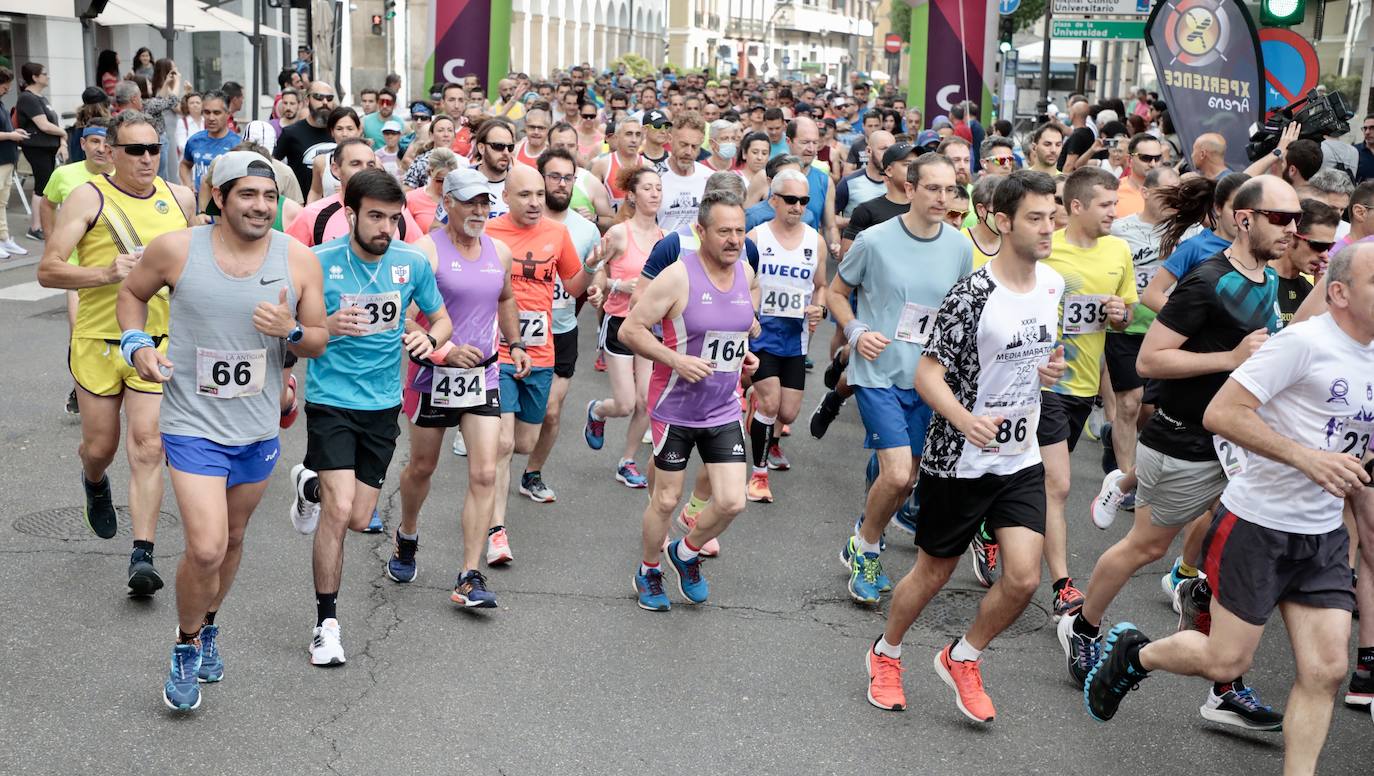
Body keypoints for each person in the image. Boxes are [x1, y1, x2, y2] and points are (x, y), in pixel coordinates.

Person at [1085, 237, 1372, 774]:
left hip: (1323, 532)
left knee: (1327, 669)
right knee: (1227, 659)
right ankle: (1136, 652)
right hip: (1256, 525)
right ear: (1339, 292)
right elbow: (1223, 413)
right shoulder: (1302, 344)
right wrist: (1306, 458)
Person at [1066, 175, 1293, 734]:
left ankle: (1225, 680)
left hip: (1235, 446)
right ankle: (1084, 630)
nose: (1292, 229)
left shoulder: (1265, 279)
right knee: (1144, 546)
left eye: (1297, 220)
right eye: (1281, 219)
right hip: (1183, 443)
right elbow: (1150, 361)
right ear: (1245, 220)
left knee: (1232, 555)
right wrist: (1232, 357)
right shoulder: (1208, 281)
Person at [115, 151, 327, 710]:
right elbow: (131, 295)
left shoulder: (298, 259)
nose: (260, 206)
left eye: (268, 196)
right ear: (219, 198)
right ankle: (185, 644)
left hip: (256, 428)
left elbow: (319, 339)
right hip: (191, 423)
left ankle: (209, 624)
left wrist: (294, 329)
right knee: (206, 547)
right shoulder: (178, 249)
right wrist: (137, 346)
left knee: (232, 540)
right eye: (247, 195)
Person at [864, 169, 1066, 720]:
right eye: (1035, 218)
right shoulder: (973, 294)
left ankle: (964, 656)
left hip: (1020, 456)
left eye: (1053, 217)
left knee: (1024, 577)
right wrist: (963, 417)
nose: (1048, 228)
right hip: (961, 458)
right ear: (1002, 222)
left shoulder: (1053, 285)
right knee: (934, 572)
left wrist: (1048, 369)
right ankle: (887, 652)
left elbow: (1035, 355)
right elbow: (928, 374)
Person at [288, 169, 452, 665]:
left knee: (359, 517)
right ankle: (326, 625)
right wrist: (323, 327)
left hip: (383, 405)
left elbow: (440, 318)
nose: (386, 228)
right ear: (350, 212)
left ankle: (308, 486)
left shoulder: (409, 263)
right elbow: (286, 332)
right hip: (331, 400)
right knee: (338, 514)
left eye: (394, 218)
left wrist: (432, 339)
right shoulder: (317, 263)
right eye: (376, 216)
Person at [36, 110, 197, 594]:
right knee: (101, 447)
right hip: (98, 340)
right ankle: (93, 479)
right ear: (110, 151)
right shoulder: (89, 197)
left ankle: (141, 555)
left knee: (149, 444)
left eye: (154, 149)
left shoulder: (179, 197)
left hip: (154, 342)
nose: (148, 159)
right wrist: (105, 273)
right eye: (135, 150)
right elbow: (48, 270)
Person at [828, 153, 974, 604]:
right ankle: (868, 547)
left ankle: (862, 537)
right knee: (894, 474)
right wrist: (856, 331)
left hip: (927, 380)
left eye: (949, 189)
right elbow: (836, 293)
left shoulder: (958, 246)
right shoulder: (874, 240)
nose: (942, 198)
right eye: (933, 188)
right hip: (877, 373)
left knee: (909, 478)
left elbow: (965, 314)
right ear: (909, 189)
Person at [389, 167, 528, 603]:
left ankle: (470, 574)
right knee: (422, 467)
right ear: (446, 201)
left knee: (486, 471)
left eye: (485, 202)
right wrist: (442, 351)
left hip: (484, 373)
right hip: (435, 374)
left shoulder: (499, 252)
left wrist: (516, 342)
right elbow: (399, 314)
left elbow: (505, 298)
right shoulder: (425, 251)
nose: (479, 211)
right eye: (470, 201)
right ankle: (407, 533)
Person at [621, 190, 758, 611]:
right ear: (700, 232)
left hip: (722, 406)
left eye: (740, 231)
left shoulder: (746, 273)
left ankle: (685, 552)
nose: (734, 240)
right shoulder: (678, 276)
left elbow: (742, 326)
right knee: (665, 499)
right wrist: (674, 358)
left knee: (734, 501)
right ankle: (648, 569)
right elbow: (631, 330)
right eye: (724, 232)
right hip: (674, 406)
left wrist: (742, 353)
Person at [1037, 166, 1135, 619]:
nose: (1114, 213)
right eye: (1105, 205)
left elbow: (1125, 313)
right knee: (1058, 484)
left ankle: (989, 528)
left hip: (1081, 386)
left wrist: (1119, 313)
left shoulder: (1118, 251)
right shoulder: (1044, 249)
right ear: (1075, 207)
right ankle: (1062, 585)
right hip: (1041, 383)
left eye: (1115, 204)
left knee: (1033, 480)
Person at [483, 165, 592, 556]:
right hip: (497, 352)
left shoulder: (556, 234)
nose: (534, 202)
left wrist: (598, 263)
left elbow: (576, 285)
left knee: (525, 441)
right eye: (525, 195)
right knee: (504, 443)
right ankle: (496, 530)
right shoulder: (491, 233)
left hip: (541, 353)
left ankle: (490, 478)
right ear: (507, 198)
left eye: (539, 195)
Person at [1092, 165, 1187, 525]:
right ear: (1146, 192)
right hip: (1126, 327)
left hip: (1167, 329)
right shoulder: (1120, 230)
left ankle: (1114, 441)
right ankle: (1126, 480)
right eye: (1167, 193)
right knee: (1129, 405)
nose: (1174, 200)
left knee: (1149, 410)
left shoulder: (1187, 232)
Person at [515, 148, 604, 497]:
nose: (562, 183)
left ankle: (532, 473)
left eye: (568, 177)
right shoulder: (520, 222)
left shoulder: (585, 230)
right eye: (554, 176)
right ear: (540, 178)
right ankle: (490, 473)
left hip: (561, 330)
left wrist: (598, 288)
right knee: (510, 424)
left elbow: (597, 273)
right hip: (514, 332)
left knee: (551, 412)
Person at [744, 168, 827, 503]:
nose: (797, 206)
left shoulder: (815, 241)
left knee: (788, 413)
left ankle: (766, 429)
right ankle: (759, 475)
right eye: (790, 199)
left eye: (803, 201)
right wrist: (748, 315)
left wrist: (818, 309)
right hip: (762, 334)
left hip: (796, 339)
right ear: (773, 200)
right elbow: (743, 283)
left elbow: (820, 287)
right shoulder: (756, 238)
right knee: (770, 402)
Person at [584, 165, 663, 488]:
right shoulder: (619, 233)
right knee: (625, 403)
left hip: (648, 327)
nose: (655, 193)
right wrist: (617, 286)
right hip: (618, 322)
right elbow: (594, 266)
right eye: (647, 188)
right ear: (631, 194)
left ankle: (627, 461)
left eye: (658, 188)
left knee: (646, 402)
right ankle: (598, 411)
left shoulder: (664, 239)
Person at [43, 118, 113, 414]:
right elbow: (47, 203)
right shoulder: (64, 175)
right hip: (76, 270)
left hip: (116, 267)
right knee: (79, 330)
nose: (101, 148)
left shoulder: (123, 176)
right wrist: (51, 242)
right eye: (94, 142)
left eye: (106, 142)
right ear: (82, 144)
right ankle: (81, 387)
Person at [285, 139, 424, 249]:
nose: (365, 170)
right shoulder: (313, 214)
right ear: (335, 169)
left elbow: (422, 256)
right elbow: (287, 260)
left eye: (370, 164)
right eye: (355, 164)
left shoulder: (397, 213)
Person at [17, 62, 66, 241]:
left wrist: (62, 140)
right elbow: (44, 125)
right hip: (37, 148)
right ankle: (35, 227)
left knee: (46, 185)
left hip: (48, 148)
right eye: (44, 73)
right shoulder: (27, 98)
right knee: (42, 186)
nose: (48, 76)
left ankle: (43, 224)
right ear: (35, 77)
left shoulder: (41, 98)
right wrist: (63, 133)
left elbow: (53, 124)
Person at [1272, 198, 1339, 325]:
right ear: (1291, 236)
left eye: (1329, 247)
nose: (1325, 255)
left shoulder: (1311, 287)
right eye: (1318, 246)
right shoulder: (1260, 281)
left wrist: (1320, 289)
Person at [656, 111, 714, 236]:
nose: (688, 152)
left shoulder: (710, 177)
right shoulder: (655, 175)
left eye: (694, 147)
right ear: (670, 139)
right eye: (683, 144)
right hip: (664, 251)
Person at [274, 82, 336, 195]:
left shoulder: (340, 131)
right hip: (302, 205)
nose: (325, 102)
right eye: (318, 97)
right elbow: (274, 164)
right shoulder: (291, 133)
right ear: (307, 100)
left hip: (337, 206)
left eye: (329, 98)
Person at [180, 91, 241, 194]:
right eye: (207, 112)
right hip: (199, 207)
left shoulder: (238, 144)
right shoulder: (194, 141)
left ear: (227, 114)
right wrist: (188, 185)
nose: (211, 118)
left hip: (224, 207)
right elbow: (185, 165)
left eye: (217, 113)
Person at [835, 130, 894, 231]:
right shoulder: (849, 183)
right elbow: (830, 219)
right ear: (868, 151)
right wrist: (857, 221)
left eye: (891, 150)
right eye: (883, 149)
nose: (888, 155)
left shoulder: (899, 183)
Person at [0, 66, 30, 260]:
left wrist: (13, 133)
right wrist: (11, 134)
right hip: (1, 160)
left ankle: (4, 238)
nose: (7, 89)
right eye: (4, 85)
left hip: (7, 159)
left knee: (2, 202)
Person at [308, 107, 364, 202]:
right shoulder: (321, 161)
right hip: (328, 215)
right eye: (339, 129)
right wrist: (309, 213)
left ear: (359, 130)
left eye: (350, 129)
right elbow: (315, 191)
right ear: (332, 132)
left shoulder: (372, 161)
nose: (344, 134)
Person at [591, 116, 643, 211]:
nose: (634, 140)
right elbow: (591, 201)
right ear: (617, 137)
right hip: (611, 224)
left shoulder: (648, 165)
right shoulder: (602, 165)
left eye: (638, 134)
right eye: (628, 134)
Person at [404, 147, 460, 233]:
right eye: (439, 180)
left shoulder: (460, 200)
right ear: (430, 172)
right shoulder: (411, 199)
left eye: (449, 180)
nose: (444, 185)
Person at [401, 114, 461, 192]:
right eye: (440, 130)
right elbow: (407, 191)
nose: (446, 135)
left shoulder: (463, 161)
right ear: (431, 135)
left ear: (454, 135)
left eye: (450, 130)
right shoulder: (420, 162)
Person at [514, 102, 553, 167]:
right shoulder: (516, 150)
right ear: (525, 127)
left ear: (548, 129)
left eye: (541, 128)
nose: (536, 132)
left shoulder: (552, 154)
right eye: (532, 127)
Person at [176, 92, 204, 157]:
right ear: (187, 106)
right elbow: (181, 145)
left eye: (198, 102)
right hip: (188, 160)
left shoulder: (206, 121)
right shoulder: (182, 122)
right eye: (192, 103)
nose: (195, 105)